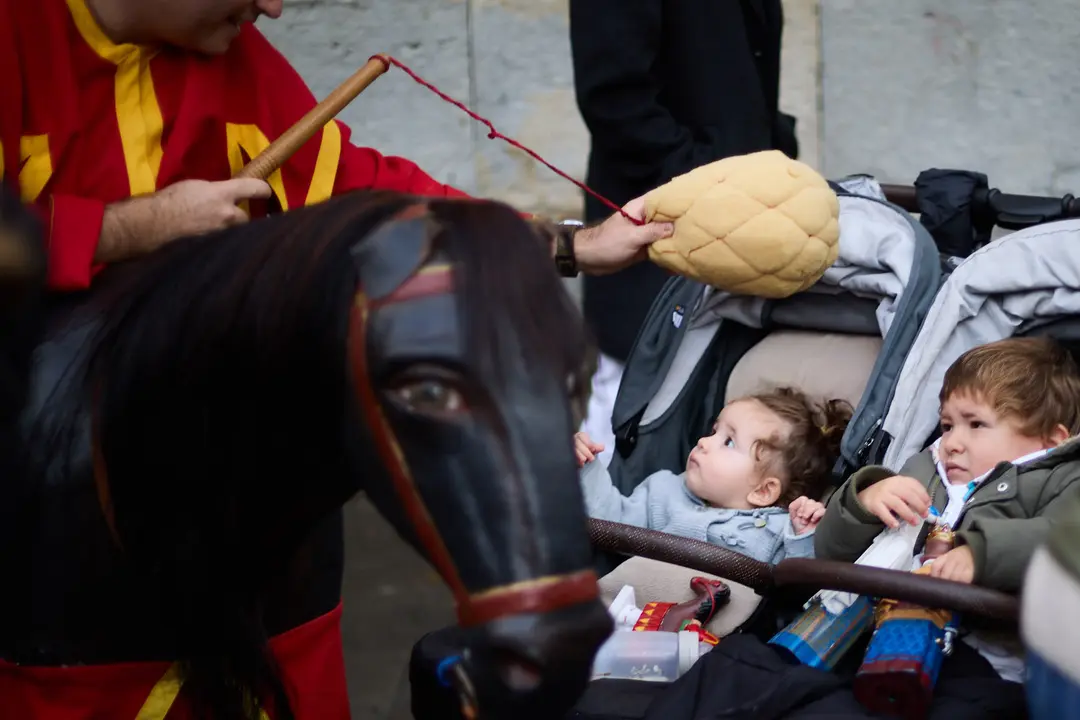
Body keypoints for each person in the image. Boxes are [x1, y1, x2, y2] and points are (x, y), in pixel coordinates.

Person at [0, 0, 672, 294]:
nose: (272, 7)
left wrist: (569, 246)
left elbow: (370, 198)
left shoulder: (237, 59)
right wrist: (133, 229)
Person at [569, 0, 800, 465]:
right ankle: (599, 533)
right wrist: (702, 177)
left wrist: (774, 156)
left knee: (716, 406)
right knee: (629, 390)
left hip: (741, 211)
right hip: (658, 215)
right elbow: (614, 98)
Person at [815, 336, 1080, 684]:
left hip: (982, 660)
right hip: (863, 633)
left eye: (976, 424)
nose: (952, 442)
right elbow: (829, 555)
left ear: (1050, 440)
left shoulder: (1061, 479)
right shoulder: (923, 471)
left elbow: (1067, 541)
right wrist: (862, 504)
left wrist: (983, 554)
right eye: (947, 425)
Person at [575, 387, 851, 565]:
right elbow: (612, 525)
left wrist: (803, 536)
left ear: (763, 491)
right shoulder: (663, 491)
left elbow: (797, 589)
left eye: (728, 442)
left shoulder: (777, 530)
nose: (704, 442)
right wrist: (586, 466)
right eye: (713, 431)